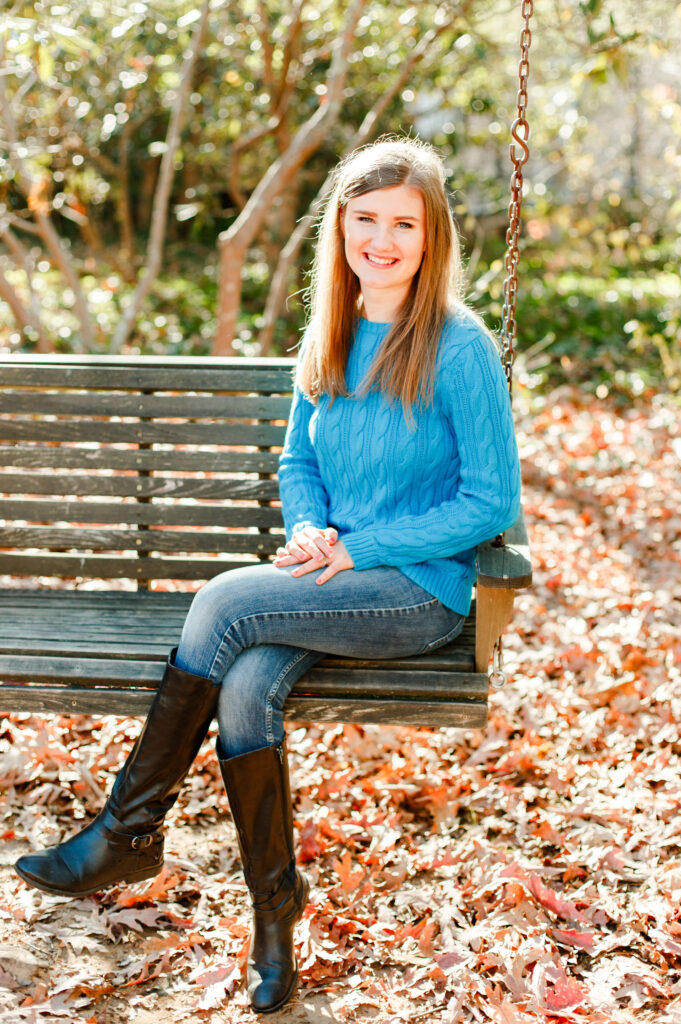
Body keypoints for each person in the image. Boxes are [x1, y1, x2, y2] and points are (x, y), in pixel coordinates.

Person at [14, 137, 521, 1014]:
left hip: (420, 592)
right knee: (245, 686)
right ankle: (275, 926)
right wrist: (311, 528)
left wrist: (359, 550)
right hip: (335, 579)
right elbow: (298, 464)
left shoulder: (458, 346)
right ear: (341, 227)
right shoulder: (330, 324)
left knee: (222, 601)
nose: (382, 239)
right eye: (365, 219)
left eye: (403, 223)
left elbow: (491, 502)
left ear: (432, 235)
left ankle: (126, 829)